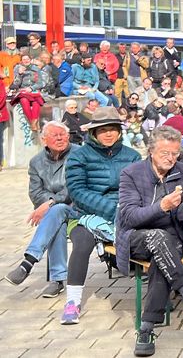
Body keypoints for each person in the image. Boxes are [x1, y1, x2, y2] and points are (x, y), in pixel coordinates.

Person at [116, 126, 183, 357]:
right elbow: (129, 217)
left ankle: (146, 330)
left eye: (175, 153)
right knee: (158, 238)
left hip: (170, 243)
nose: (171, 159)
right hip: (136, 237)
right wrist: (161, 206)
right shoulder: (131, 174)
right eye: (165, 153)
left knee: (161, 260)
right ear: (151, 150)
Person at [61, 107, 141, 324]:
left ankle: (157, 294)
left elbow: (139, 187)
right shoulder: (79, 156)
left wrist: (126, 209)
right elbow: (77, 191)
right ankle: (73, 302)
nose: (108, 134)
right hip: (84, 214)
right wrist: (111, 209)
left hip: (124, 212)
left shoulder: (132, 155)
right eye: (102, 129)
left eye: (112, 129)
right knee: (82, 244)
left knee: (153, 235)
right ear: (93, 132)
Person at [3, 122, 77, 297]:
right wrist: (50, 205)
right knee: (56, 218)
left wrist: (51, 202)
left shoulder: (79, 154)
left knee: (56, 210)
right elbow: (35, 193)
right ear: (44, 140)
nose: (59, 138)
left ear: (68, 137)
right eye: (54, 135)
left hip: (78, 209)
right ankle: (57, 280)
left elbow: (75, 187)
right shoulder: (36, 162)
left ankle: (29, 263)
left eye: (63, 134)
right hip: (55, 213)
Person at [8, 54, 46, 131]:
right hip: (23, 91)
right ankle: (33, 123)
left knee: (36, 102)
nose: (26, 61)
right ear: (21, 61)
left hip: (33, 91)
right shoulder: (17, 69)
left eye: (27, 59)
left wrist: (32, 88)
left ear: (30, 60)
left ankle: (33, 124)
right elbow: (16, 84)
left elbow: (40, 83)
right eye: (24, 59)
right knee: (24, 100)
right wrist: (19, 74)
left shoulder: (36, 69)